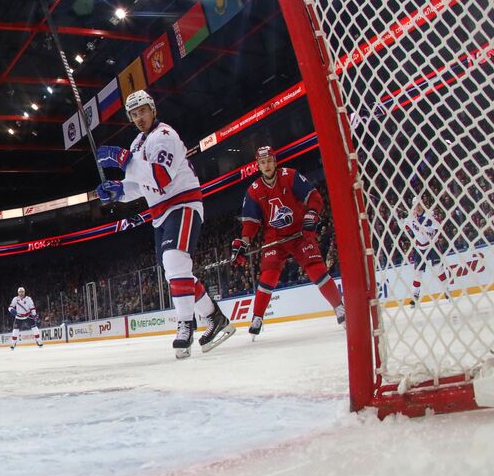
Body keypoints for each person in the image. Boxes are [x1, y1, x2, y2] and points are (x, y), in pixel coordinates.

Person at [96, 90, 233, 358]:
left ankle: (185, 324)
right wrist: (118, 190)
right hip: (160, 212)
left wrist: (121, 159)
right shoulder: (137, 143)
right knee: (175, 271)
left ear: (153, 110)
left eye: (142, 111)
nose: (139, 118)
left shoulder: (165, 137)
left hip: (182, 204)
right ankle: (215, 318)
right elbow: (141, 185)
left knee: (174, 260)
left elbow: (160, 177)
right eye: (134, 114)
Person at [231, 145, 344, 336]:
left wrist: (311, 214)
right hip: (275, 237)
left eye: (269, 161)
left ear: (275, 162)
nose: (266, 165)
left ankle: (339, 307)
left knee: (316, 269)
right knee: (268, 275)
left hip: (300, 233)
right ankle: (257, 317)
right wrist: (244, 242)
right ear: (258, 165)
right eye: (262, 162)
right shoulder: (253, 191)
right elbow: (251, 223)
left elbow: (314, 197)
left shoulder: (290, 175)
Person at [402, 199, 450, 307]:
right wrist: (401, 218)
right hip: (420, 247)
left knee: (438, 268)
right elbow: (404, 228)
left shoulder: (429, 214)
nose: (418, 207)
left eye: (419, 204)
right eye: (415, 205)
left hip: (432, 244)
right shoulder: (411, 218)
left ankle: (446, 290)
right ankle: (415, 294)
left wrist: (428, 221)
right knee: (417, 273)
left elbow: (438, 226)